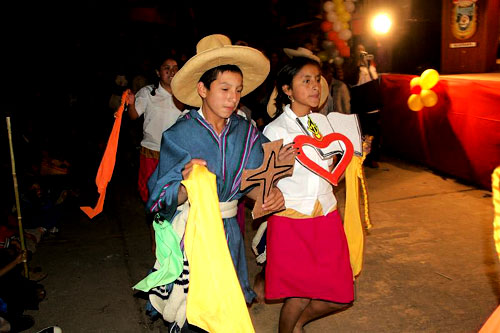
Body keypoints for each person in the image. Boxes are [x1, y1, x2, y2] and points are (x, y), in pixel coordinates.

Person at [137, 34, 284, 331]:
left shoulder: (246, 131)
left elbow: (251, 185)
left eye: (238, 90)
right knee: (197, 313)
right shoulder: (179, 135)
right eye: (225, 88)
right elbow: (158, 202)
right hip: (194, 236)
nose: (233, 98)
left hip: (230, 233)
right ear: (202, 89)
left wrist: (270, 195)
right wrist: (184, 185)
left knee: (228, 310)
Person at [263, 56, 354, 332]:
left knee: (343, 294)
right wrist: (277, 166)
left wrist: (357, 154)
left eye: (317, 80)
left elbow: (333, 160)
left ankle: (299, 322)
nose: (315, 86)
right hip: (292, 219)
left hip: (326, 214)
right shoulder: (275, 130)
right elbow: (263, 182)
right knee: (299, 292)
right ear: (287, 90)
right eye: (306, 81)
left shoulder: (322, 122)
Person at [126, 55, 185, 254]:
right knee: (154, 202)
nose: (171, 71)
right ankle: (156, 245)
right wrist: (131, 103)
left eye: (175, 67)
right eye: (166, 67)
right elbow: (134, 115)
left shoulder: (185, 94)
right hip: (151, 155)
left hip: (177, 156)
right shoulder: (148, 93)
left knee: (178, 200)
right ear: (158, 72)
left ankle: (177, 244)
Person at [345, 43, 381, 168]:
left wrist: (370, 63)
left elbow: (376, 82)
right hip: (361, 106)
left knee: (374, 133)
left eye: (363, 51)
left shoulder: (370, 66)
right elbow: (352, 81)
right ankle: (361, 158)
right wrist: (357, 63)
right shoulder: (352, 66)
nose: (362, 54)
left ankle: (373, 158)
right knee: (362, 133)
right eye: (359, 52)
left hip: (374, 105)